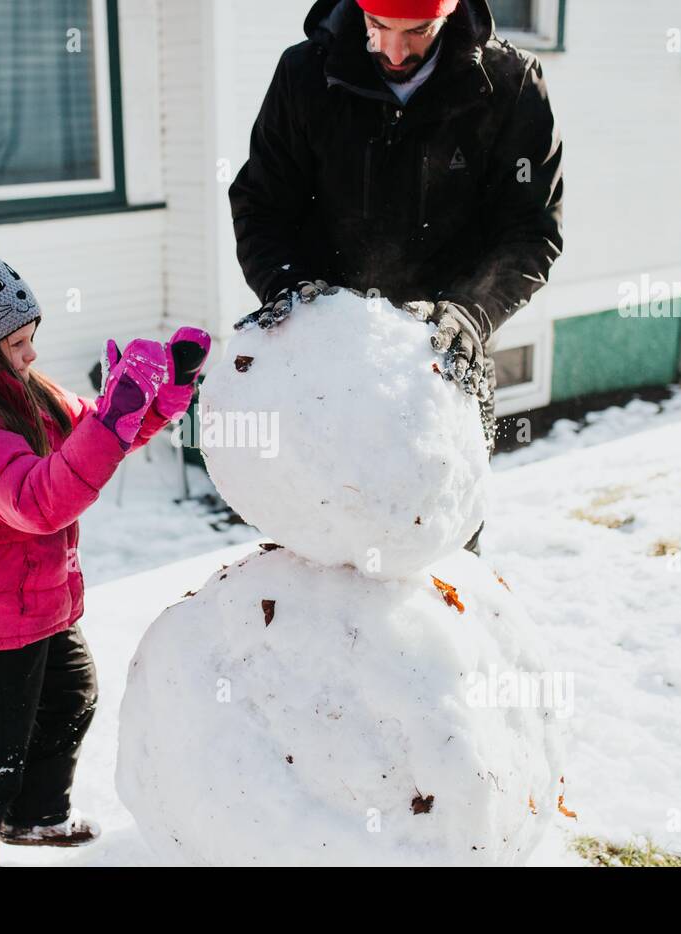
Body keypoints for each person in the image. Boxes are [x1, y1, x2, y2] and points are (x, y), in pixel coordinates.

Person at [0, 236, 210, 866]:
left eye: (31, 333)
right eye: (16, 342)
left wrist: (156, 398)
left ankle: (35, 817)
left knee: (69, 695)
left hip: (33, 598)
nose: (32, 351)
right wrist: (114, 418)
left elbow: (86, 439)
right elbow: (37, 502)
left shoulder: (22, 391)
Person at [229, 0, 564, 554]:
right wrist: (290, 289)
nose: (393, 50)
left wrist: (471, 313)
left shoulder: (509, 86)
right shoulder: (306, 74)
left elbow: (532, 231)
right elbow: (260, 205)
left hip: (445, 367)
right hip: (324, 367)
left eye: (418, 31)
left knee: (439, 557)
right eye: (377, 27)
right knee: (316, 557)